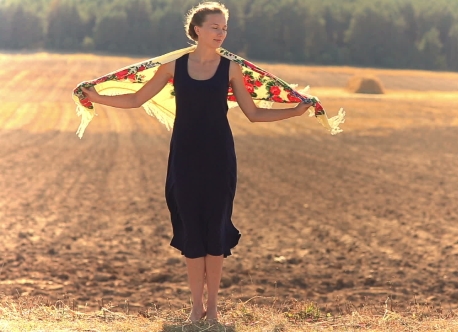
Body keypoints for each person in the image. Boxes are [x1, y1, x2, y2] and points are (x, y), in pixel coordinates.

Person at [81, 2, 312, 323]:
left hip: (219, 157)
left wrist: (295, 111)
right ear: (197, 30)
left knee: (215, 232)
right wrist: (97, 97)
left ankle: (213, 308)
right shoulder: (173, 66)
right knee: (191, 230)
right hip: (184, 158)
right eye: (215, 27)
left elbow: (254, 114)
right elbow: (136, 99)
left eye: (225, 28)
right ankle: (195, 307)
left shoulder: (231, 69)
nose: (221, 33)